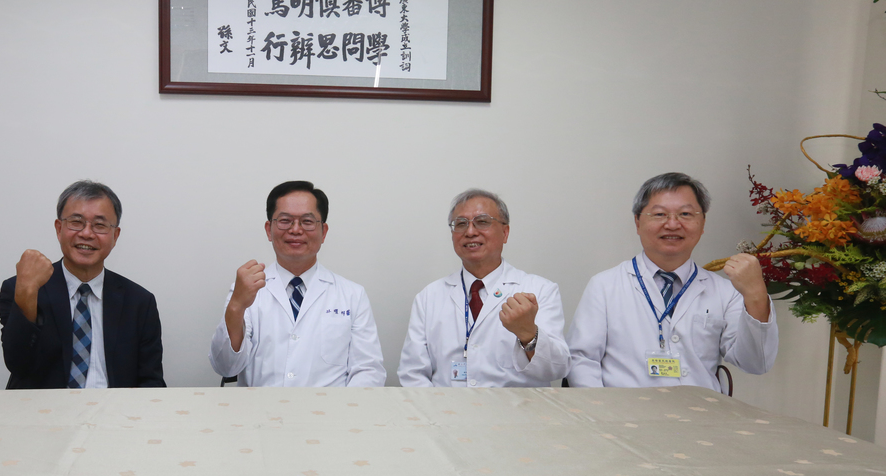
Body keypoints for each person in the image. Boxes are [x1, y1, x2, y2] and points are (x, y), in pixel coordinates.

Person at [567, 172, 778, 390]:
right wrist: (604, 415)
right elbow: (581, 359)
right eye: (659, 214)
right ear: (638, 222)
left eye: (686, 214)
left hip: (703, 417)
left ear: (702, 223)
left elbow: (756, 363)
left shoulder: (726, 291)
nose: (673, 224)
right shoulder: (605, 286)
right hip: (626, 417)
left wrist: (755, 295)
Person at [209, 180, 385, 387]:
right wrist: (236, 306)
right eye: (285, 220)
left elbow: (368, 371)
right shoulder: (246, 289)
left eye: (307, 222)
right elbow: (226, 367)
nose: (295, 230)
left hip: (330, 414)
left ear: (324, 232)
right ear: (269, 229)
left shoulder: (352, 295)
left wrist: (342, 415)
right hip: (260, 414)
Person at [0, 180, 164, 389]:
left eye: (100, 225)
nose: (86, 233)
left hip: (116, 413)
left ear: (115, 236)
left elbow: (151, 380)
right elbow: (19, 366)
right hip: (43, 413)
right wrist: (27, 293)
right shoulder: (22, 289)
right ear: (59, 229)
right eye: (76, 222)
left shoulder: (139, 301)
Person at [398, 189, 570, 387]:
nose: (470, 232)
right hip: (446, 412)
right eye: (460, 224)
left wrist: (528, 335)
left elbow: (557, 369)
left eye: (482, 221)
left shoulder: (540, 290)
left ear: (505, 233)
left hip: (517, 413)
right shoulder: (429, 297)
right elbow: (412, 374)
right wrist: (440, 414)